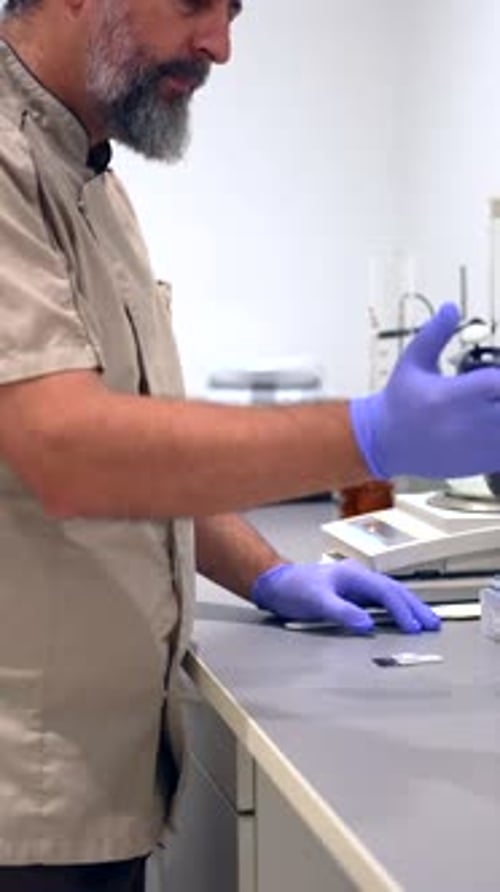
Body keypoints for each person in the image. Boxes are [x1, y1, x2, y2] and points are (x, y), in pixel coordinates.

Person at [1, 1, 500, 890]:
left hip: (89, 785)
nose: (221, 45)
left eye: (233, 12)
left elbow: (139, 448)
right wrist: (369, 433)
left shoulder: (94, 180)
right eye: (196, 2)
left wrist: (268, 572)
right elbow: (68, 453)